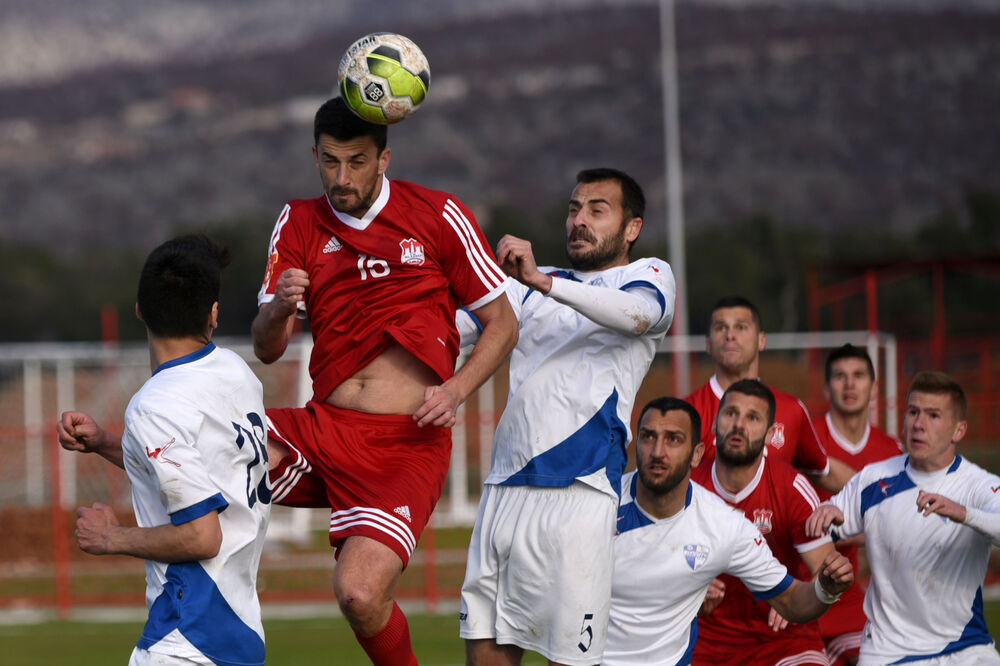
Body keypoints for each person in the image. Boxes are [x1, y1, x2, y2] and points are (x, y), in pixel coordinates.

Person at [252, 96, 518, 665]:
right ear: (314, 155)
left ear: (384, 159)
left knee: (359, 592)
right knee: (201, 446)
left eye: (355, 162)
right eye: (328, 162)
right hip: (324, 432)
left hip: (404, 444)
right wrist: (277, 310)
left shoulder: (438, 215)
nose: (340, 178)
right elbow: (266, 350)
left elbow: (503, 323)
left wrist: (455, 391)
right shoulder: (297, 220)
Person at [459, 168, 676, 666]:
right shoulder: (526, 287)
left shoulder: (647, 275)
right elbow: (450, 331)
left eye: (598, 210)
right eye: (575, 209)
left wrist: (541, 281)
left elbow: (638, 316)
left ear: (631, 228)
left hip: (579, 497)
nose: (580, 220)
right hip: (502, 491)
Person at [56, 235, 270, 666]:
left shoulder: (155, 405)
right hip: (241, 635)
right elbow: (200, 468)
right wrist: (108, 444)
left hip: (187, 637)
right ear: (213, 313)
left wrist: (110, 537)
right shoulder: (235, 373)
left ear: (140, 310)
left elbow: (202, 536)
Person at [605, 397, 854, 666]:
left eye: (673, 439)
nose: (657, 451)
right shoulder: (600, 506)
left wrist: (825, 590)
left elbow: (791, 600)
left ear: (697, 454)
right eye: (648, 436)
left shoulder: (723, 524)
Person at [807, 371, 1000, 665]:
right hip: (889, 652)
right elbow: (817, 530)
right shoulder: (874, 478)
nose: (918, 424)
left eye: (933, 415)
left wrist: (964, 514)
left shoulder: (977, 484)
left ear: (959, 430)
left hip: (966, 648)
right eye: (913, 412)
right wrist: (825, 516)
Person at [690, 379, 841, 666]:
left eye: (753, 417)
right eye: (730, 414)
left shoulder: (792, 487)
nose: (739, 425)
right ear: (714, 424)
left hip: (782, 640)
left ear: (771, 433)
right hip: (705, 642)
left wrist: (794, 597)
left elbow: (825, 569)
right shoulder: (689, 487)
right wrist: (689, 586)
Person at [685, 295, 852, 492]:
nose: (730, 335)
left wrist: (877, 493)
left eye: (741, 327)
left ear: (761, 340)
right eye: (721, 328)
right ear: (708, 344)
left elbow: (825, 472)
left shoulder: (791, 410)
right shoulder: (687, 413)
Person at [811, 344, 903, 666]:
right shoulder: (805, 441)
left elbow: (903, 528)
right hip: (801, 590)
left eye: (859, 376)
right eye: (840, 376)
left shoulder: (893, 452)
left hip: (856, 602)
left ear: (874, 387)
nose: (850, 385)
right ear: (826, 387)